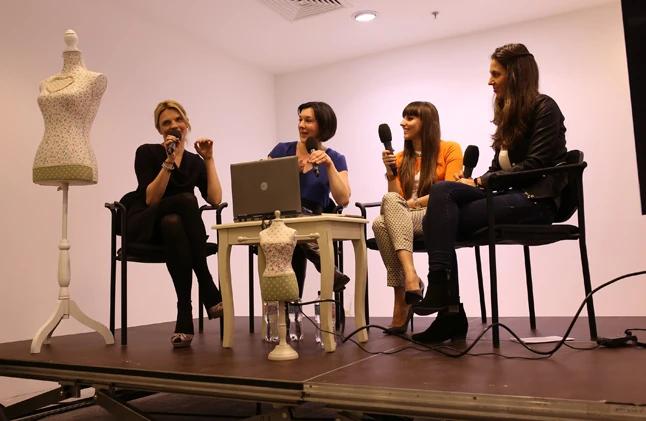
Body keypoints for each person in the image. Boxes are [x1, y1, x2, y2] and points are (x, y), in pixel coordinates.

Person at [413, 43, 568, 344]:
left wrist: (481, 182)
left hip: (538, 201)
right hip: (510, 196)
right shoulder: (508, 113)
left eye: (496, 74)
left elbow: (535, 166)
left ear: (516, 74)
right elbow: (499, 168)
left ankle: (447, 307)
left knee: (441, 216)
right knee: (443, 192)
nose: (490, 81)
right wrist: (473, 181)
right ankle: (443, 294)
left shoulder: (545, 108)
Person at [124, 100, 224, 348]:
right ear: (160, 129)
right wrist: (169, 160)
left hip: (178, 234)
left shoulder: (194, 162)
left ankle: (184, 315)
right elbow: (151, 199)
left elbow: (214, 199)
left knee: (173, 222)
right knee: (186, 200)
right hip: (147, 224)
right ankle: (207, 284)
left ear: (186, 123)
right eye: (166, 122)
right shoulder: (147, 152)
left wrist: (209, 159)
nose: (174, 125)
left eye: (178, 119)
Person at [371, 102, 463, 334]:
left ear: (427, 122)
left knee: (383, 220)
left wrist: (411, 204)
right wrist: (391, 172)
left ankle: (405, 292)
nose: (402, 123)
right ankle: (408, 281)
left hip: (434, 216)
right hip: (404, 219)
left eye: (410, 118)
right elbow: (395, 198)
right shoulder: (402, 157)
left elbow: (449, 192)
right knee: (380, 221)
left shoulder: (449, 149)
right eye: (403, 117)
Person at [267, 101, 351, 297]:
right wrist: (288, 173)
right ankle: (328, 269)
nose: (301, 125)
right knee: (290, 230)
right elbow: (265, 190)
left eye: (308, 121)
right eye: (300, 120)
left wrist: (329, 165)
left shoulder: (336, 158)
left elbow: (343, 199)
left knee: (293, 236)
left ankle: (291, 307)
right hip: (278, 218)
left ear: (323, 125)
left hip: (313, 222)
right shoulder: (281, 151)